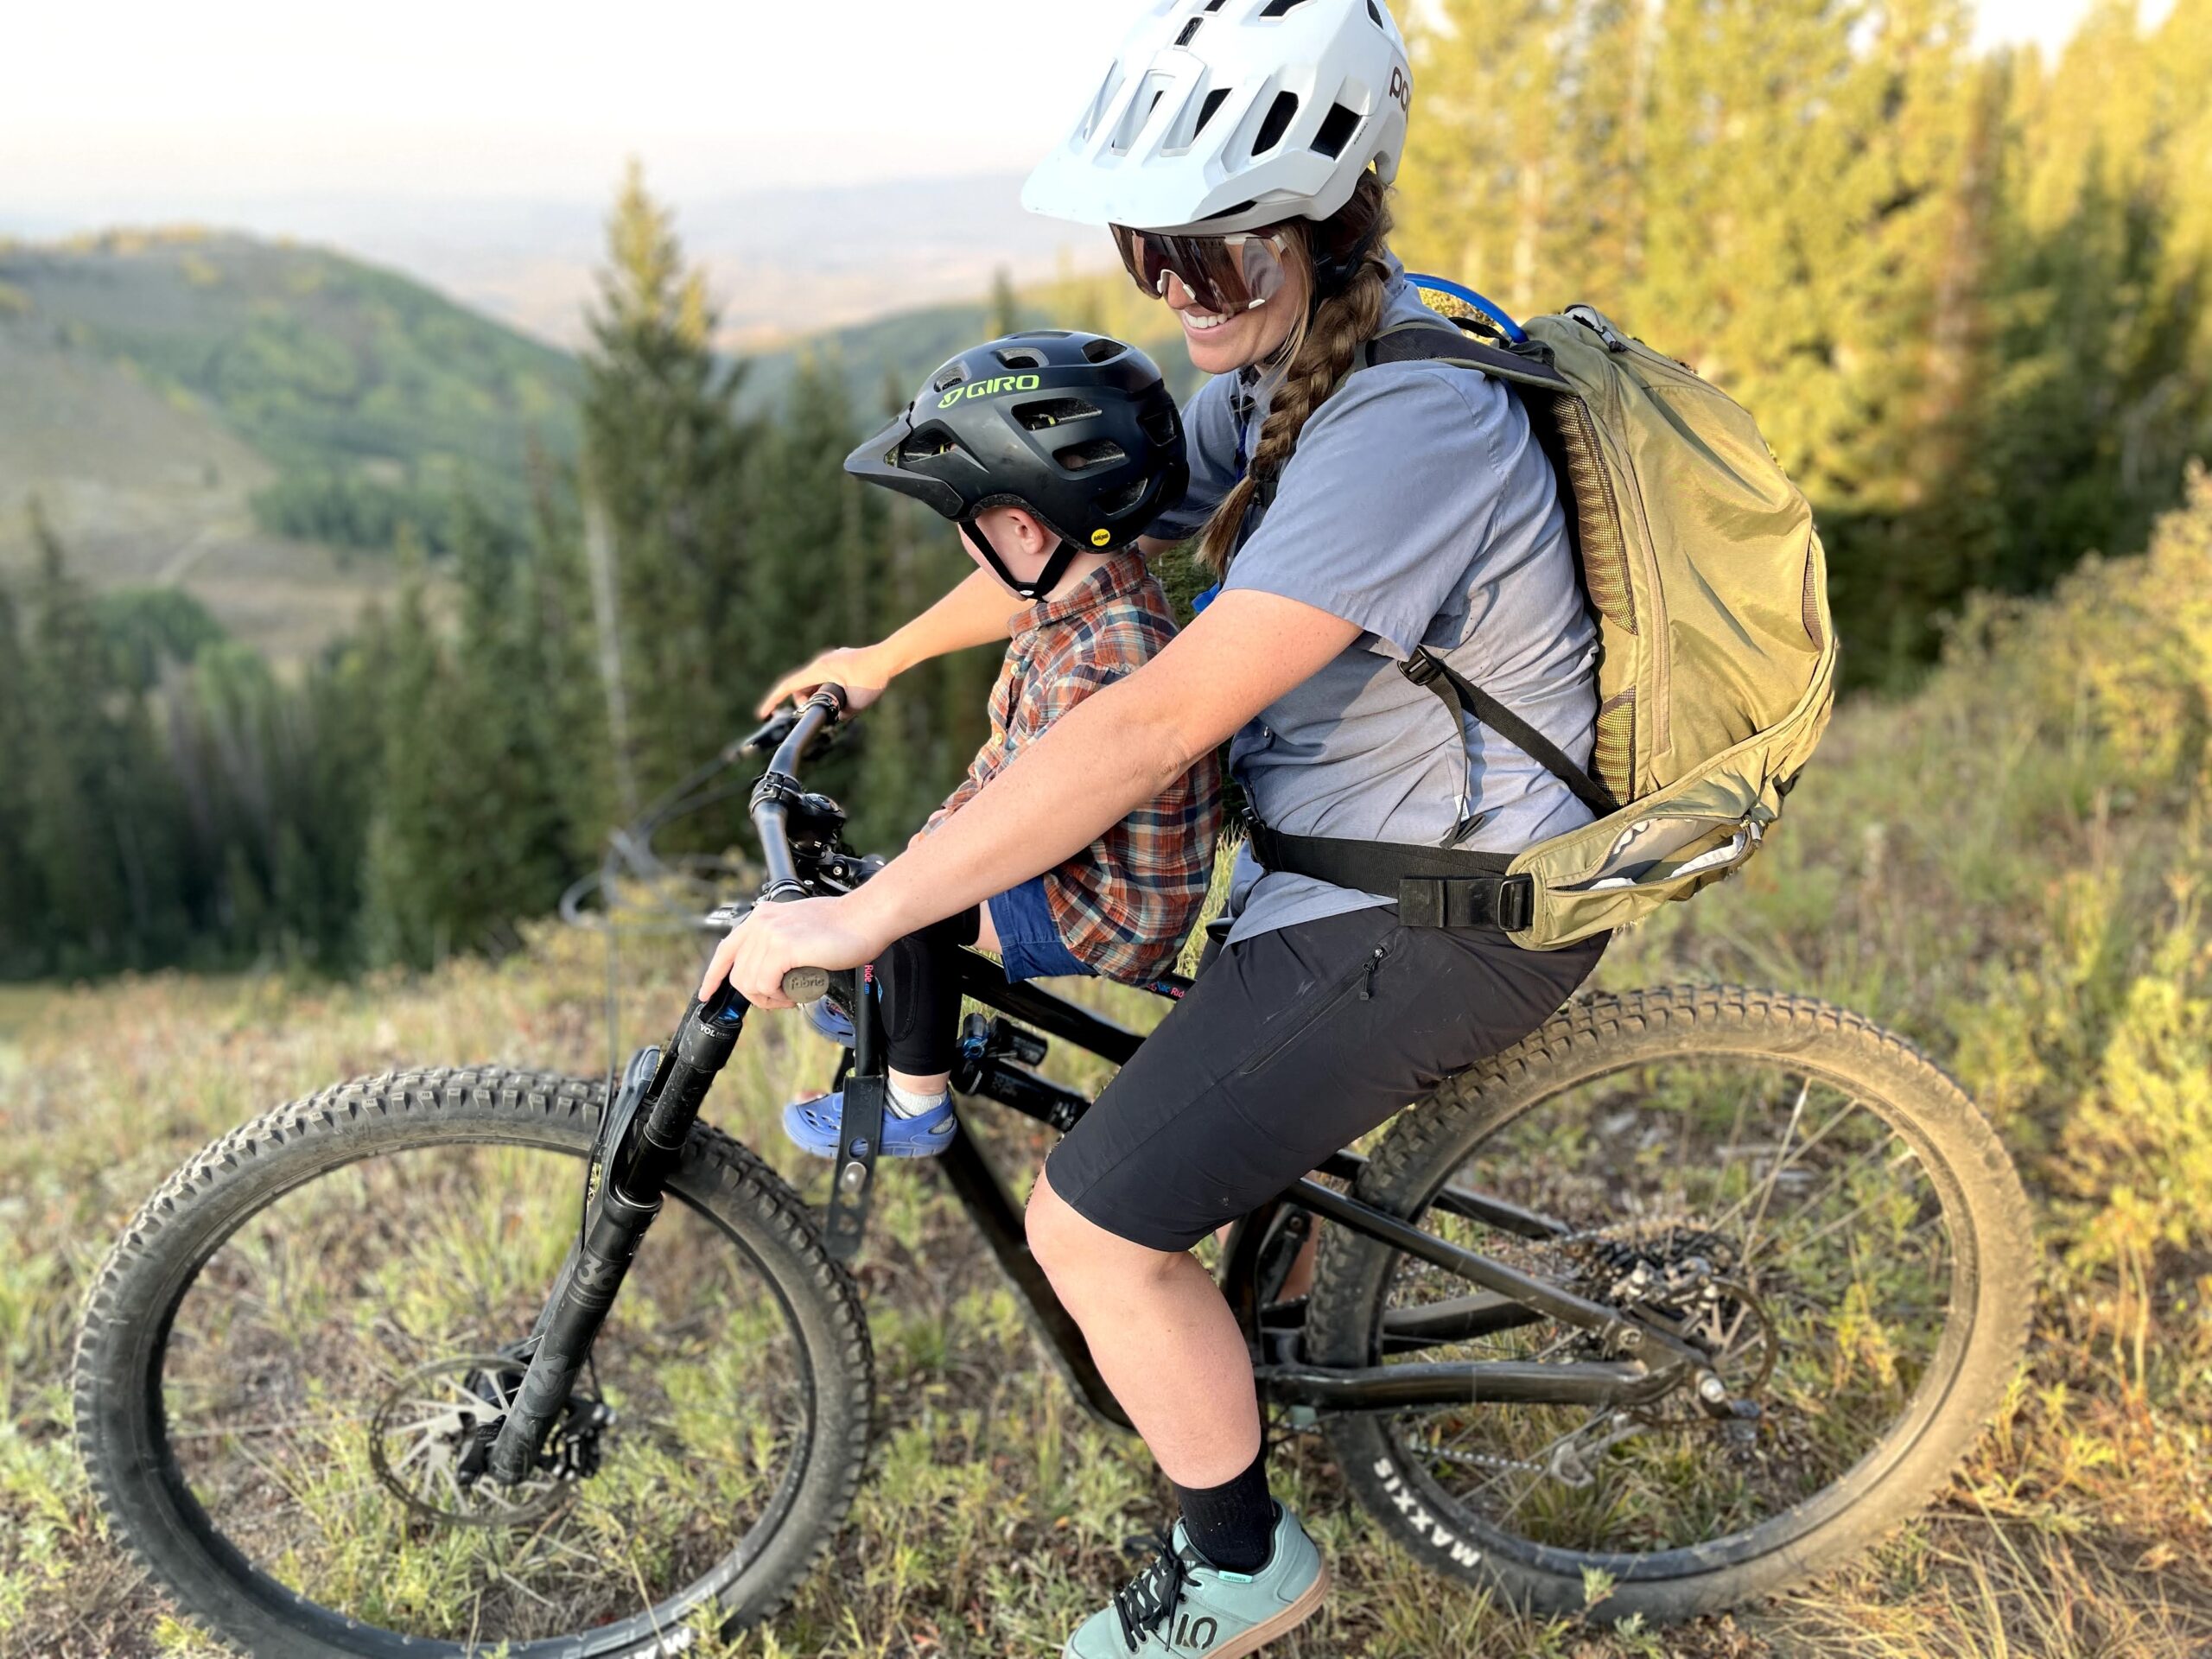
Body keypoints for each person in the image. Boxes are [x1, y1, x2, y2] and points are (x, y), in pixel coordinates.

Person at [710, 1, 1608, 1650]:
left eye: (1215, 254)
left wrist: (870, 911)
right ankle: (1271, 1318)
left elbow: (1152, 723)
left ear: (1326, 220)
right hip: (1349, 869)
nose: (1179, 292)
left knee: (1092, 1223)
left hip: (1440, 909)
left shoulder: (1400, 424)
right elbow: (1083, 536)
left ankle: (1241, 1566)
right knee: (1187, 1139)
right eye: (1151, 254)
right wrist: (884, 656)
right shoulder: (1279, 373)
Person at [778, 330, 1222, 1160]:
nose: (963, 541)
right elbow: (1003, 773)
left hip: (1107, 906)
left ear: (1021, 528)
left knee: (916, 901)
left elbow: (1030, 817)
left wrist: (916, 880)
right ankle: (887, 997)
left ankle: (913, 1104)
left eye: (966, 520)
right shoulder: (1067, 616)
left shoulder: (1105, 654)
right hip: (1084, 869)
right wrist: (932, 842)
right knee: (906, 877)